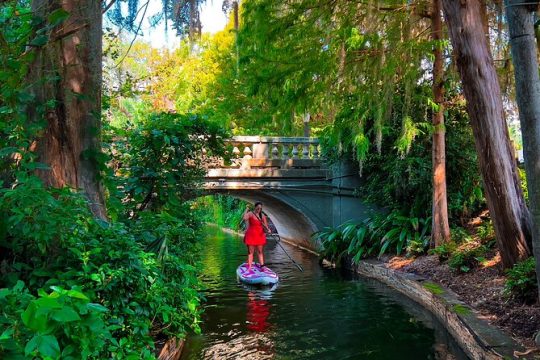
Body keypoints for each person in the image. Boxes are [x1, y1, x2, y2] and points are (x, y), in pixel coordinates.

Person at [243, 201, 271, 275]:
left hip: (260, 235)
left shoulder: (262, 216)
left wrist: (268, 230)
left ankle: (262, 266)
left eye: (260, 208)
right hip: (251, 235)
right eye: (258, 208)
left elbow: (266, 226)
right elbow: (244, 218)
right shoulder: (251, 214)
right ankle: (249, 268)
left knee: (260, 252)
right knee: (250, 252)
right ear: (255, 207)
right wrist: (247, 209)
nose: (259, 210)